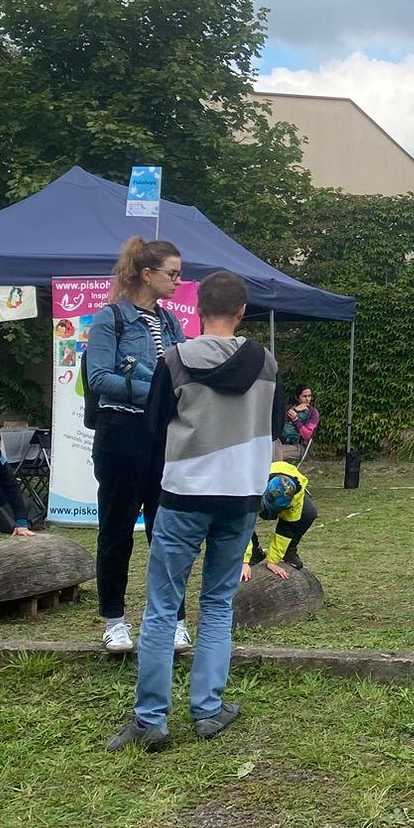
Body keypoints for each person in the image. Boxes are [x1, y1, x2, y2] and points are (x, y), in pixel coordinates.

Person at [107, 269, 276, 752]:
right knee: (218, 604)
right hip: (241, 497)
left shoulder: (174, 360)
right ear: (242, 311)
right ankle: (208, 709)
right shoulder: (266, 363)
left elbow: (155, 426)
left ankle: (150, 719)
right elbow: (270, 426)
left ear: (197, 309)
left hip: (183, 497)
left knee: (163, 607)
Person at [88, 236, 188, 656]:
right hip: (120, 434)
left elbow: (185, 373)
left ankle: (174, 620)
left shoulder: (171, 324)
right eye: (172, 274)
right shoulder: (110, 319)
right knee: (116, 530)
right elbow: (98, 378)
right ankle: (114, 620)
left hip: (163, 437)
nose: (178, 282)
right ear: (147, 274)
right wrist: (156, 390)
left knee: (168, 532)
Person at [243, 462, 313, 581]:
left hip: (291, 490)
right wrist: (244, 561)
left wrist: (272, 561)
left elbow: (286, 530)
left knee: (309, 513)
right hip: (257, 488)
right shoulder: (253, 485)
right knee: (238, 517)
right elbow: (242, 525)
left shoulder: (295, 501)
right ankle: (255, 550)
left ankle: (289, 551)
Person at [279, 386, 319, 456]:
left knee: (276, 452)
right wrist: (295, 410)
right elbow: (277, 423)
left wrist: (296, 420)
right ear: (297, 397)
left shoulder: (313, 412)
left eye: (309, 396)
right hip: (279, 441)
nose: (307, 399)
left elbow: (307, 435)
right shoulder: (288, 408)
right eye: (304, 396)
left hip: (298, 445)